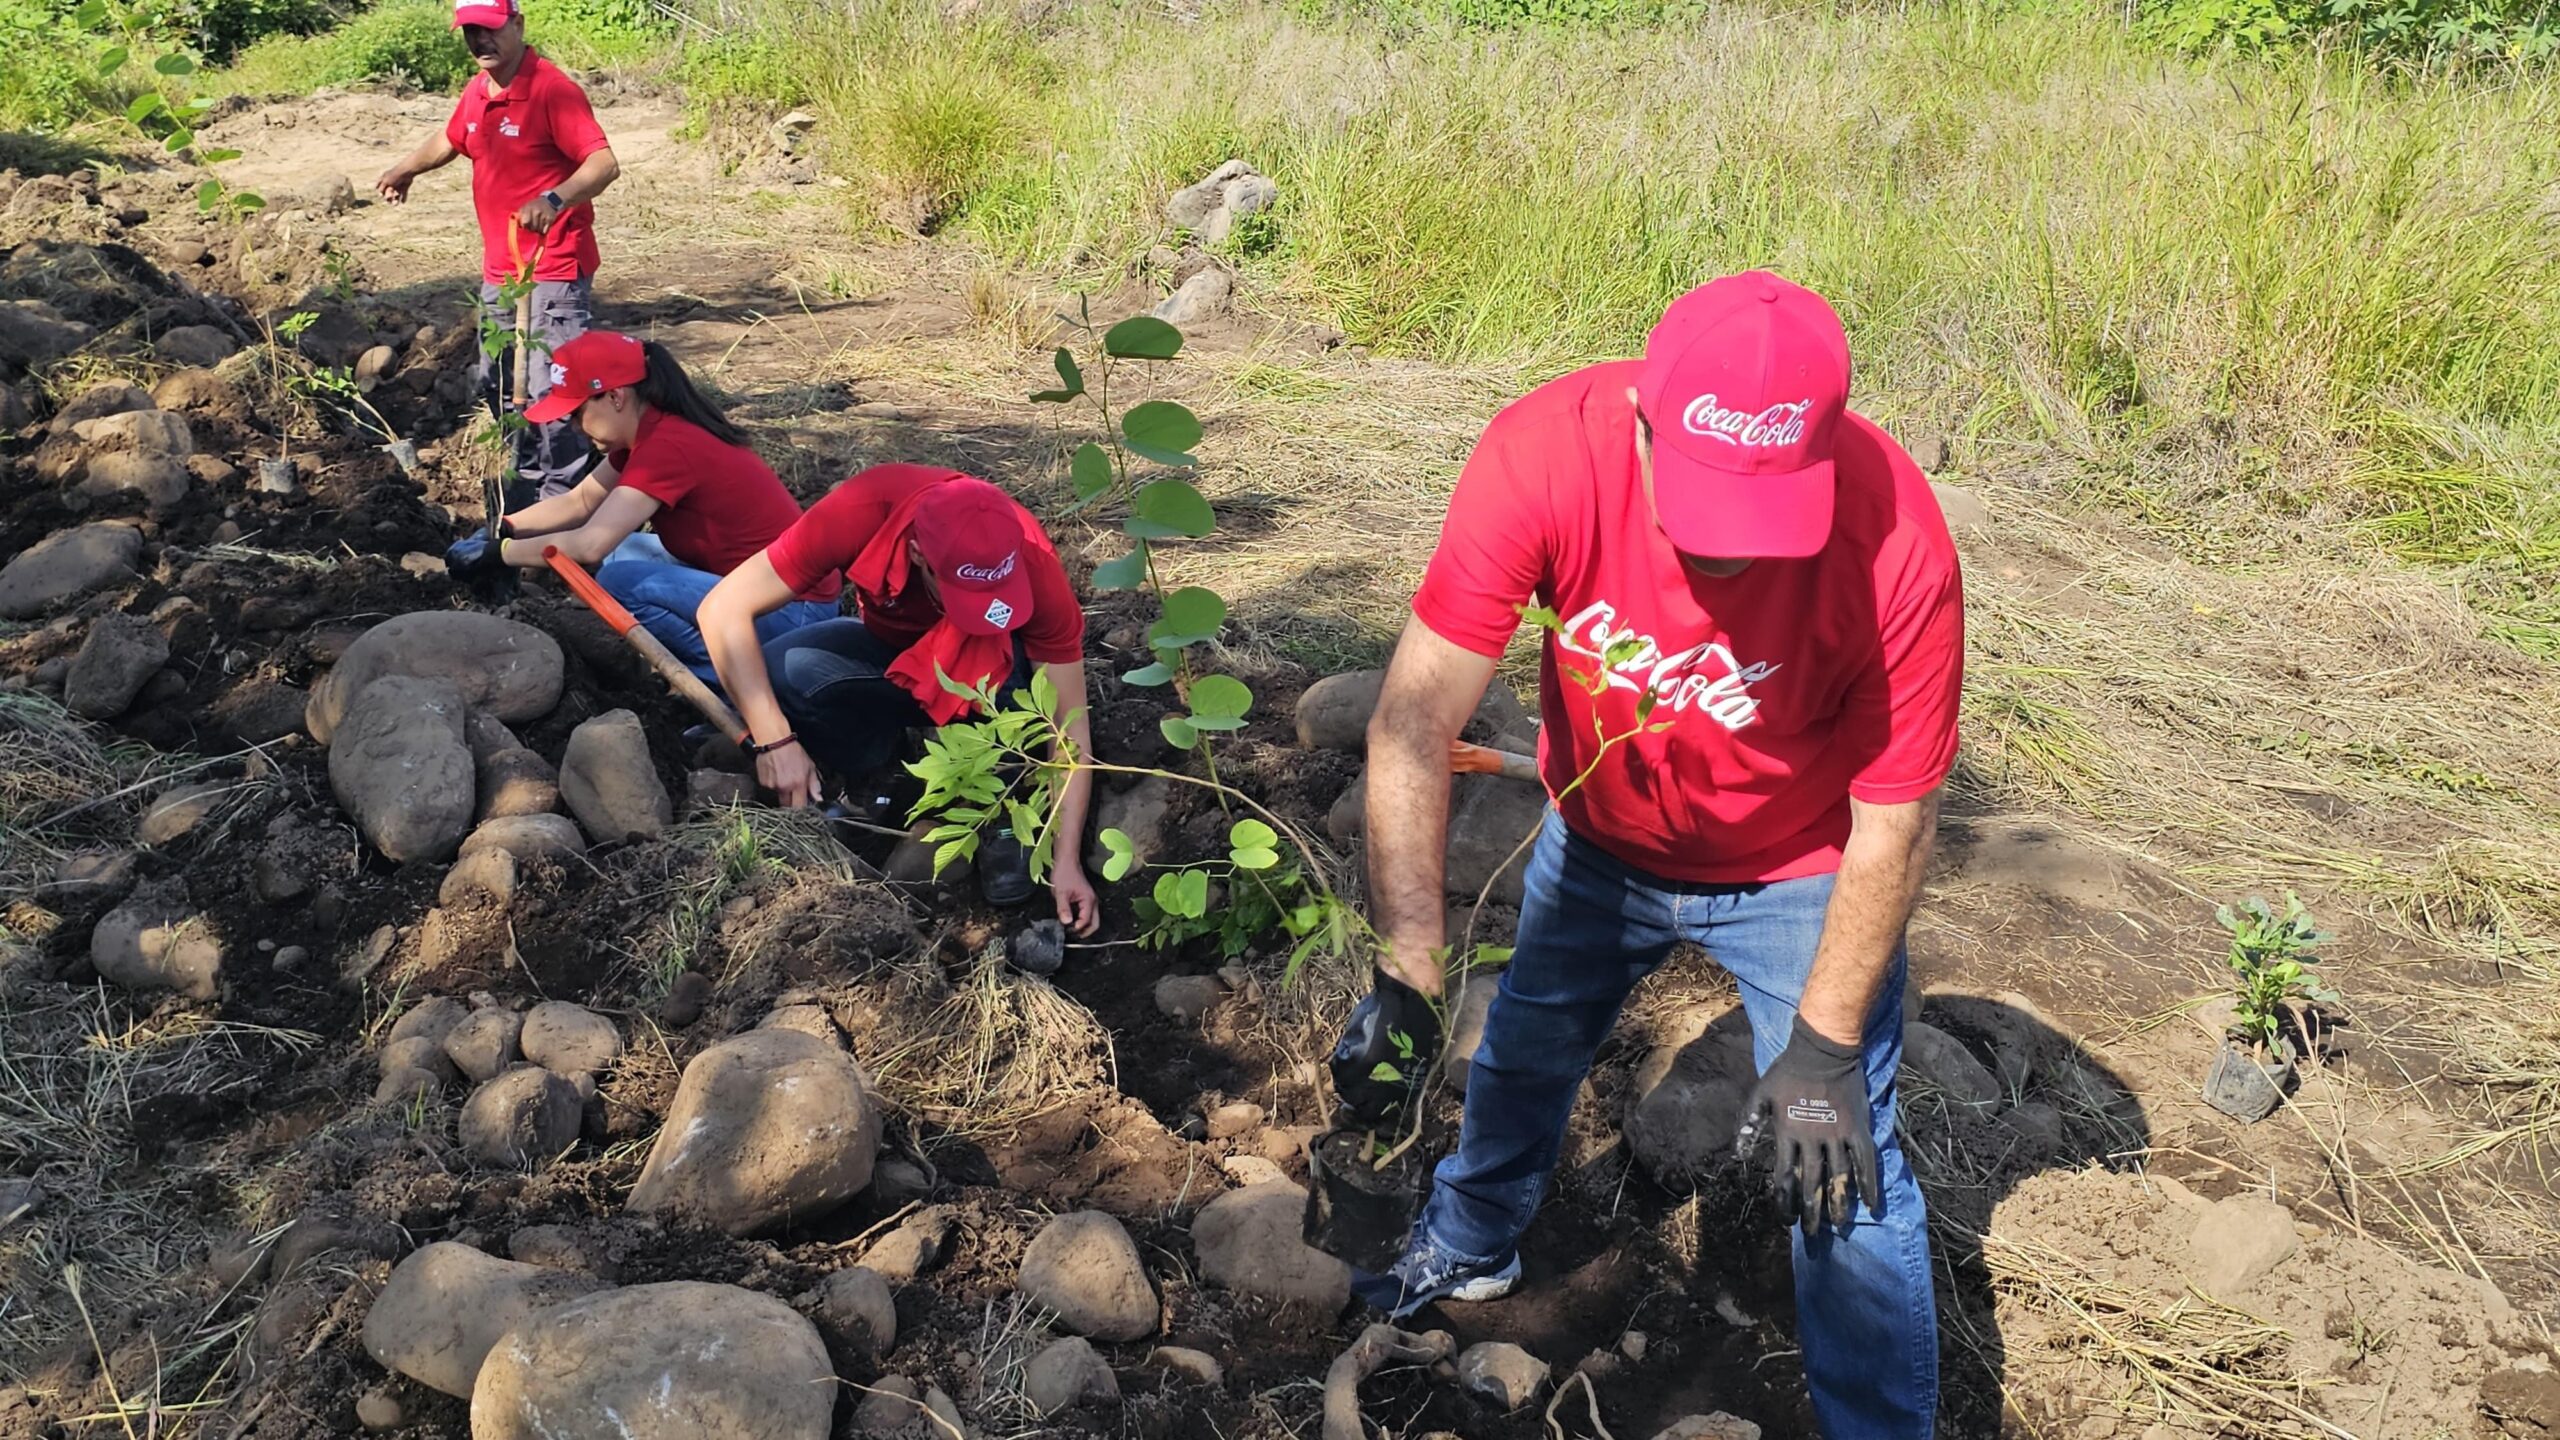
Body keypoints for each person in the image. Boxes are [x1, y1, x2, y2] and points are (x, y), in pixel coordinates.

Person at [1333, 271, 1964, 1438]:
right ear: (1640, 423)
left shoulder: (1896, 542)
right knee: (1523, 1048)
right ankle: (1465, 1247)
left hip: (1802, 869)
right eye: (1702, 511)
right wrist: (1408, 963)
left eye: (1760, 518)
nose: (1726, 563)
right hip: (1601, 840)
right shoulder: (1543, 456)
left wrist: (1824, 1047)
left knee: (1843, 1171)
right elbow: (1414, 721)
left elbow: (1897, 816)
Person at [697, 466, 1101, 936]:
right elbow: (722, 609)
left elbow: (1069, 729)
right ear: (916, 555)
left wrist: (1067, 858)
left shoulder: (1036, 565)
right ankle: (878, 772)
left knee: (1013, 667)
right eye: (964, 596)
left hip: (991, 679)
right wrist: (773, 740)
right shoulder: (861, 512)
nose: (982, 607)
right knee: (783, 671)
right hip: (895, 659)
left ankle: (1003, 805)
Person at [442, 330, 840, 678]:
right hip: (759, 588)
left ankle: (725, 680)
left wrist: (501, 554)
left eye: (577, 414)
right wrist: (506, 527)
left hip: (794, 611)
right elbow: (581, 500)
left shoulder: (668, 447)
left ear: (615, 396)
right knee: (627, 552)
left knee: (618, 580)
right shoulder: (649, 432)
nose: (577, 429)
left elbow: (590, 544)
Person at [374, 0, 619, 500]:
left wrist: (554, 198)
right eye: (470, 33)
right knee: (500, 382)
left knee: (552, 389)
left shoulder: (552, 90)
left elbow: (603, 164)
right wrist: (406, 169)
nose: (480, 42)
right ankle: (522, 481)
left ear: (518, 25)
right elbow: (450, 138)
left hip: (551, 270)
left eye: (489, 30)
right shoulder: (479, 90)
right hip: (502, 271)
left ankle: (564, 500)